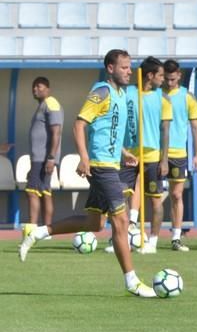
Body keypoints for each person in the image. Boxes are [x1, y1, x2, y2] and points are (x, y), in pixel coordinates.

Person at [19, 49, 156, 298]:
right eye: (124, 67)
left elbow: (106, 129)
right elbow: (79, 124)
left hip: (113, 164)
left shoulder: (121, 94)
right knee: (121, 221)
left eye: (130, 66)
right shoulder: (101, 91)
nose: (129, 71)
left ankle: (38, 232)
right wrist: (84, 158)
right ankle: (132, 281)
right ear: (111, 68)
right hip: (101, 167)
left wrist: (124, 152)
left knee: (94, 223)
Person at [118, 56, 171, 255]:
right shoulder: (126, 93)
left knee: (156, 200)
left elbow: (165, 131)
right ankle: (121, 238)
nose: (163, 80)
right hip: (129, 155)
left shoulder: (163, 99)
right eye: (160, 76)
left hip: (152, 157)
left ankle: (153, 242)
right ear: (149, 76)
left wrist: (164, 160)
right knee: (120, 198)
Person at [163, 59, 197, 252]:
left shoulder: (188, 97)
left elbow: (196, 127)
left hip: (178, 153)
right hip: (156, 153)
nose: (169, 83)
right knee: (148, 194)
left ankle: (176, 237)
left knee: (176, 194)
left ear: (179, 75)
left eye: (172, 79)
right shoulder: (157, 94)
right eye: (166, 79)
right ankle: (137, 234)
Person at [23, 77, 64, 238]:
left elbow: (56, 132)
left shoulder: (51, 103)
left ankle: (33, 230)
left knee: (32, 192)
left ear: (48, 89)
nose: (35, 89)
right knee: (45, 191)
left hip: (44, 158)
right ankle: (46, 231)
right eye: (33, 87)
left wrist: (51, 157)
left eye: (39, 87)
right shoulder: (43, 105)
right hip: (39, 158)